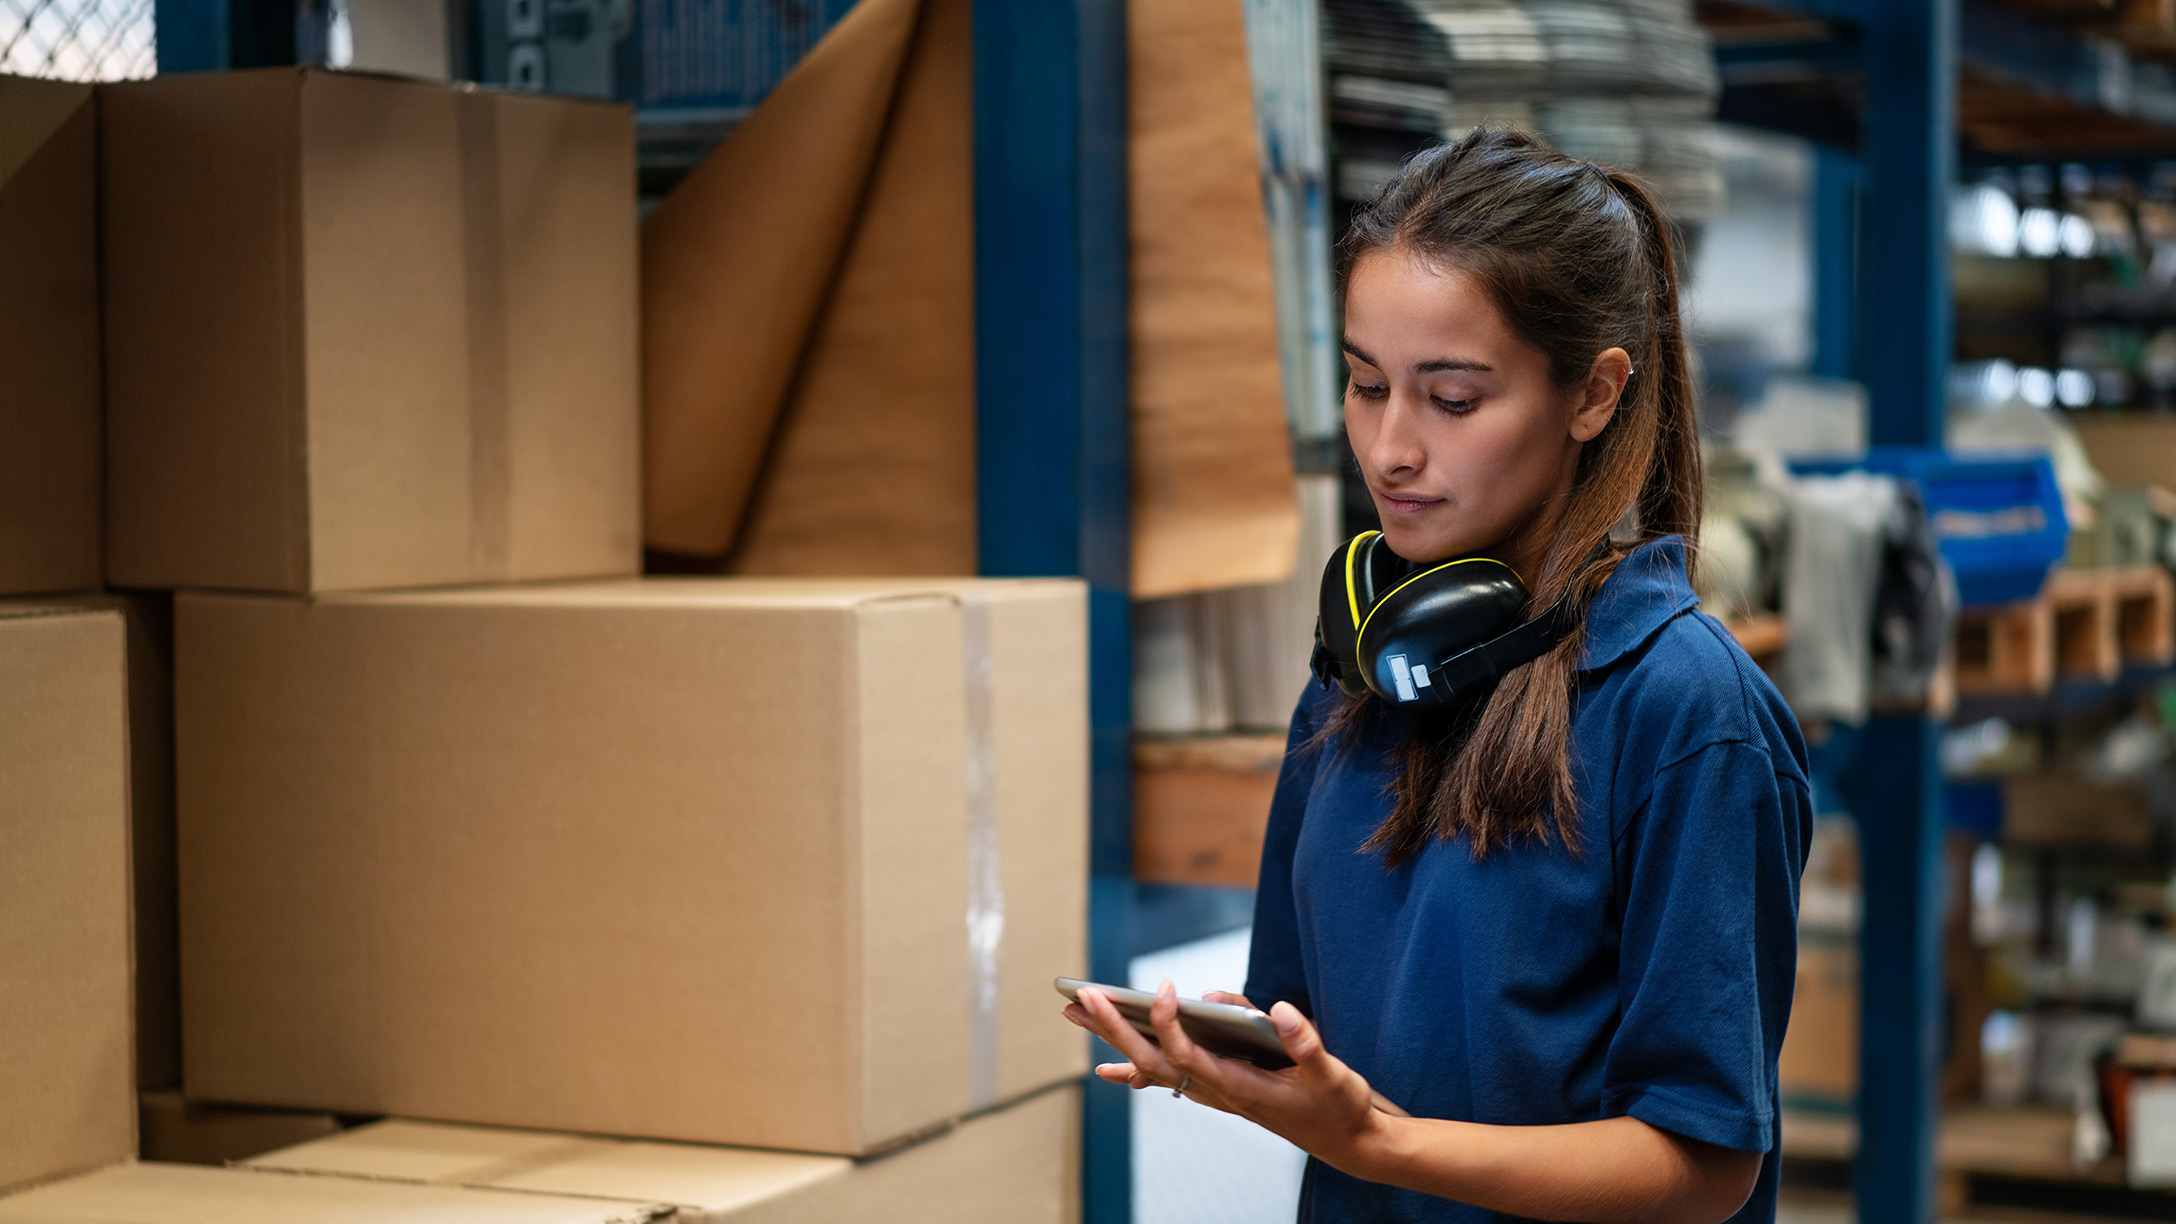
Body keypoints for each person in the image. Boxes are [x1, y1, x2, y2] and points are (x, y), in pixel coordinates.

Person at [1062, 127, 1814, 1223]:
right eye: (1366, 386)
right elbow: (1307, 1030)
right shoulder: (1355, 681)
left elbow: (1700, 1166)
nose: (1389, 450)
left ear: (1594, 395)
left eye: (1451, 399)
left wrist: (1380, 1144)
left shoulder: (1685, 714)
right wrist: (1229, 1061)